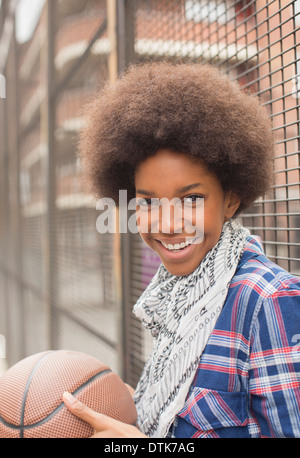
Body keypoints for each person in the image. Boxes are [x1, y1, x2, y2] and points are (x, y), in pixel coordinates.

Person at [63, 61, 300, 438]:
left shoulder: (268, 302)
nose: (169, 224)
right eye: (148, 202)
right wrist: (135, 410)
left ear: (231, 200)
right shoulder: (175, 297)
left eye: (191, 199)